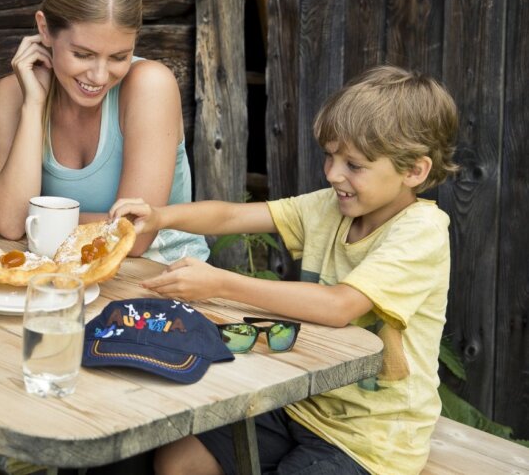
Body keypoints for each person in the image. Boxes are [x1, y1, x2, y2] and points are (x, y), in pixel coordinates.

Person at [110, 65, 459, 475]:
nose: (333, 174)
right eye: (330, 155)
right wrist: (159, 216)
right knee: (176, 460)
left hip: (370, 437)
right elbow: (230, 217)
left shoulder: (422, 230)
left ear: (413, 171)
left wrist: (221, 283)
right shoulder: (331, 207)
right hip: (295, 403)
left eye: (354, 164)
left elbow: (340, 306)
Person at [0, 0, 208, 262]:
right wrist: (34, 105)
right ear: (45, 30)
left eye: (118, 57)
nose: (98, 76)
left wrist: (37, 219)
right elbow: (10, 222)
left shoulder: (150, 86)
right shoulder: (15, 94)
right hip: (64, 278)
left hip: (160, 281)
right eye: (83, 55)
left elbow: (133, 238)